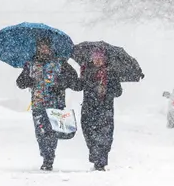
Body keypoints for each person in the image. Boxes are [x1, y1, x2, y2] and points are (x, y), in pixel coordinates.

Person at [16, 35, 79, 171]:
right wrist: (28, 81)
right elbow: (19, 82)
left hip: (56, 104)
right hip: (38, 104)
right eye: (41, 47)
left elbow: (74, 79)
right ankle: (45, 153)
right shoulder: (31, 64)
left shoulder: (60, 63)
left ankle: (48, 159)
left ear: (50, 48)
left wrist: (61, 83)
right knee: (41, 132)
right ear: (38, 48)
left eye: (46, 46)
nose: (44, 49)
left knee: (51, 132)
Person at [79, 47, 122, 171]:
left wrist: (106, 91)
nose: (97, 60)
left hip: (105, 109)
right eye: (95, 57)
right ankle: (94, 153)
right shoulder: (86, 71)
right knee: (89, 133)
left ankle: (101, 162)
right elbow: (79, 86)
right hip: (88, 108)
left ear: (104, 59)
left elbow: (118, 91)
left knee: (105, 136)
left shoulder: (111, 73)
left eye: (100, 58)